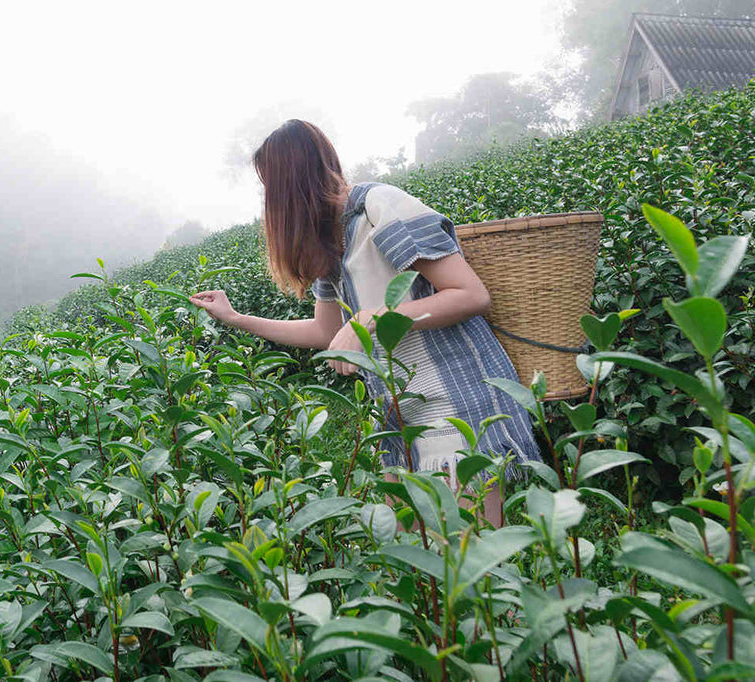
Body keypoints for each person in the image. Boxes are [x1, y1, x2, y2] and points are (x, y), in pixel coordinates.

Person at [188, 119, 540, 525]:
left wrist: (373, 320)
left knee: (465, 559)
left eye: (271, 186)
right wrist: (235, 318)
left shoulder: (377, 206)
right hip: (397, 413)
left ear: (292, 181)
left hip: (455, 401)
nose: (269, 201)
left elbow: (470, 295)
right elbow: (325, 332)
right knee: (415, 564)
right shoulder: (329, 239)